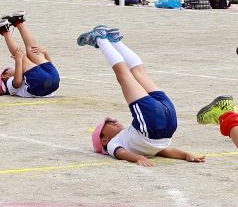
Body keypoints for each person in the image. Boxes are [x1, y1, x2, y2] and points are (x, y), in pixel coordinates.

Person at [78, 23, 205, 166]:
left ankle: (115, 41)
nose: (114, 121)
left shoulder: (130, 139)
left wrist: (183, 156)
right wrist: (184, 154)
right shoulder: (113, 144)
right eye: (108, 124)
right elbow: (125, 153)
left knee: (136, 73)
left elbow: (160, 150)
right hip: (159, 122)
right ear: (104, 140)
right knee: (124, 74)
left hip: (159, 122)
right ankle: (102, 39)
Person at [0, 12, 59, 99]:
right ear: (5, 76)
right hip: (41, 83)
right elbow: (17, 82)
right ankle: (6, 29)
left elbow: (48, 72)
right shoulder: (8, 82)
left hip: (53, 80)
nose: (13, 68)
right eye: (9, 69)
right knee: (21, 55)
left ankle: (18, 22)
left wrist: (45, 53)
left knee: (31, 52)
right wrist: (18, 60)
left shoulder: (28, 76)